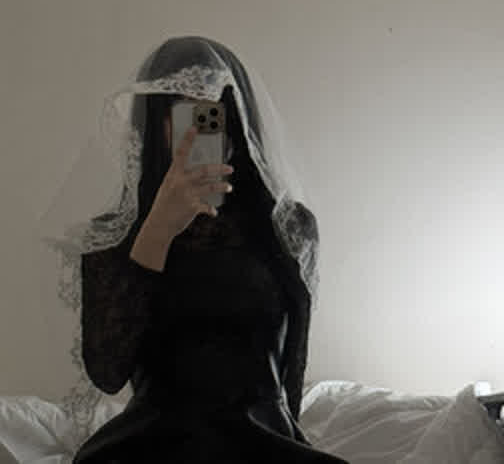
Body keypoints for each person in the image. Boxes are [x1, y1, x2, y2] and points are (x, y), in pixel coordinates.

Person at [36, 35, 349, 463]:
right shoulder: (113, 233)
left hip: (260, 441)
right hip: (151, 442)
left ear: (237, 120)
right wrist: (155, 233)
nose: (198, 132)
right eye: (182, 113)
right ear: (156, 125)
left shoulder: (289, 227)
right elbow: (107, 372)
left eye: (211, 113)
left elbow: (290, 375)